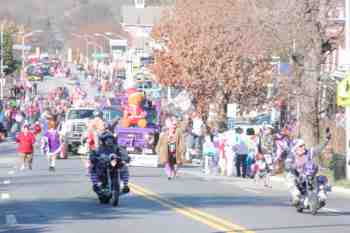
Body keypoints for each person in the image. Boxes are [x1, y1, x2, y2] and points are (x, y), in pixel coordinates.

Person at [285, 130, 331, 206]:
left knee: (323, 179)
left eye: (304, 145)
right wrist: (291, 166)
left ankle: (321, 197)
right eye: (301, 146)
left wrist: (326, 140)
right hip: (298, 176)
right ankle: (296, 196)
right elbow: (287, 163)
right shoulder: (292, 155)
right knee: (289, 177)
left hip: (309, 174)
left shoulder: (308, 152)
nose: (303, 147)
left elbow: (318, 148)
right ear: (296, 147)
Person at [89, 130, 131, 195]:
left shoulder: (117, 147)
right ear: (103, 140)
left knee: (124, 166)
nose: (109, 141)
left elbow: (124, 152)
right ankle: (96, 184)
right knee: (92, 167)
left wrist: (126, 157)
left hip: (115, 164)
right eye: (107, 139)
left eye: (110, 139)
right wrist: (93, 157)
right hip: (103, 165)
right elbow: (93, 153)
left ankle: (124, 184)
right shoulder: (99, 148)